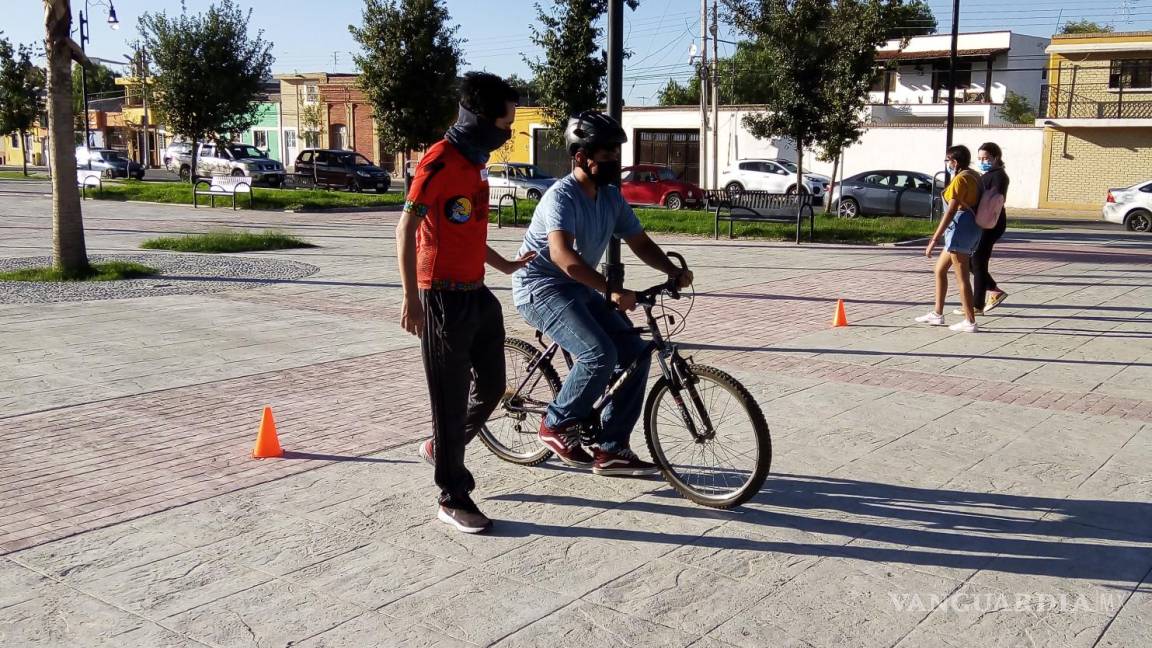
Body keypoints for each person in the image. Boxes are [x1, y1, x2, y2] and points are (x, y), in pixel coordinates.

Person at [511, 111, 693, 476]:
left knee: (636, 354)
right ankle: (555, 423)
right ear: (581, 157)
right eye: (607, 154)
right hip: (540, 287)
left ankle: (611, 449)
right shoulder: (560, 197)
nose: (615, 161)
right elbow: (563, 256)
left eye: (616, 153)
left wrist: (672, 271)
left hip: (579, 287)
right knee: (598, 353)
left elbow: (640, 242)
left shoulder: (611, 197)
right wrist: (610, 291)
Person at [397, 72, 534, 534]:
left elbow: (471, 231)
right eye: (505, 120)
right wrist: (411, 299)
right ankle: (452, 495)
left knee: (494, 385)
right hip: (441, 301)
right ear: (479, 118)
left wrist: (507, 268)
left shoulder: (476, 163)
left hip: (477, 293)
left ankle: (441, 446)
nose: (508, 130)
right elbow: (405, 230)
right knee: (450, 403)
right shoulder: (437, 162)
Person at [916, 145, 982, 333]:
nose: (946, 164)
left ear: (955, 161)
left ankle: (970, 321)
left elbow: (951, 210)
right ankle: (938, 313)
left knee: (962, 278)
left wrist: (934, 239)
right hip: (967, 228)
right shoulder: (974, 175)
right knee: (940, 270)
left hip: (960, 229)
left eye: (948, 160)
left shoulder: (961, 179)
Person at [970, 142, 1010, 314]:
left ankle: (976, 305)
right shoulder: (989, 174)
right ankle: (993, 290)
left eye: (986, 158)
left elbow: (993, 200)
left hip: (991, 223)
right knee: (973, 262)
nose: (983, 161)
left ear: (996, 158)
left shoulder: (998, 176)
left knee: (978, 261)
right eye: (980, 158)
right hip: (985, 222)